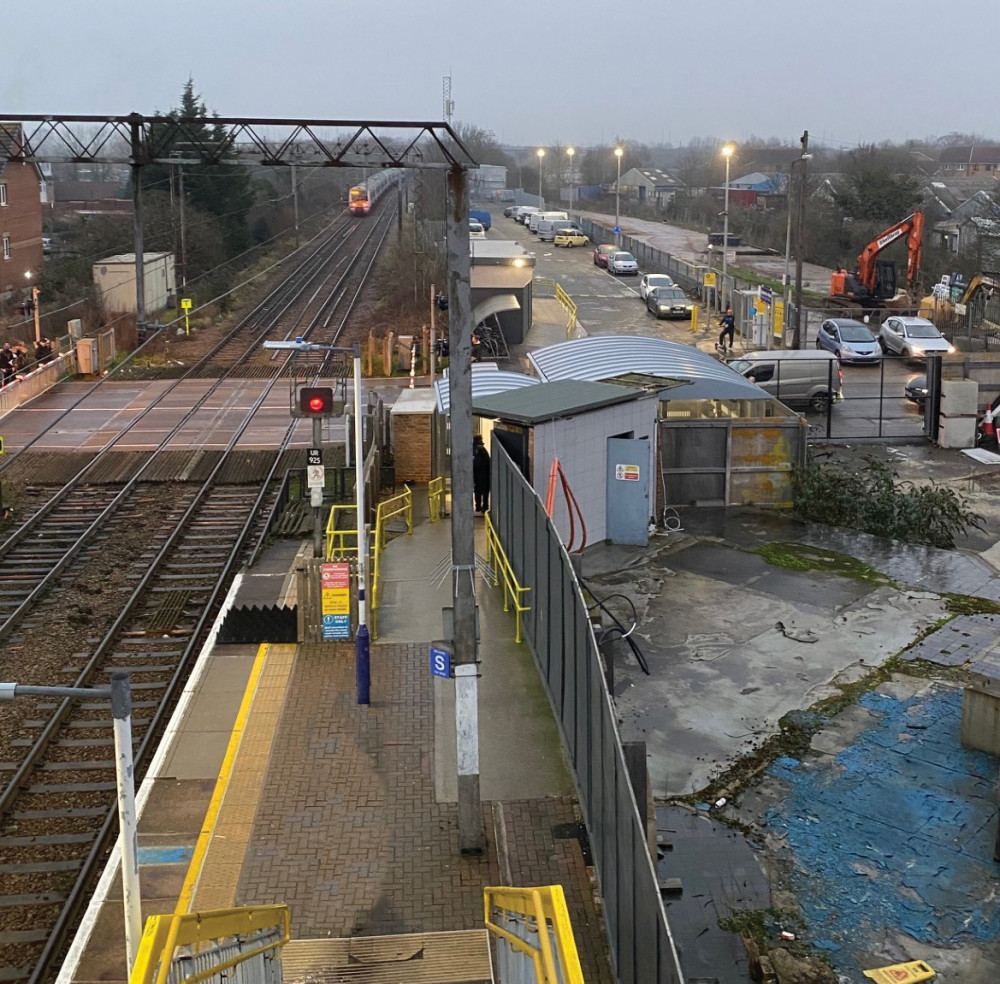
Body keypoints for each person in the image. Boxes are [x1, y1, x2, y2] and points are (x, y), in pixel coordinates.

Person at [473, 435, 491, 514]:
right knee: (485, 491)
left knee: (478, 491)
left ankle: (478, 507)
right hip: (484, 474)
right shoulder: (483, 450)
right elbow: (488, 461)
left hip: (476, 474)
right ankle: (485, 507)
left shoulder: (473, 449)